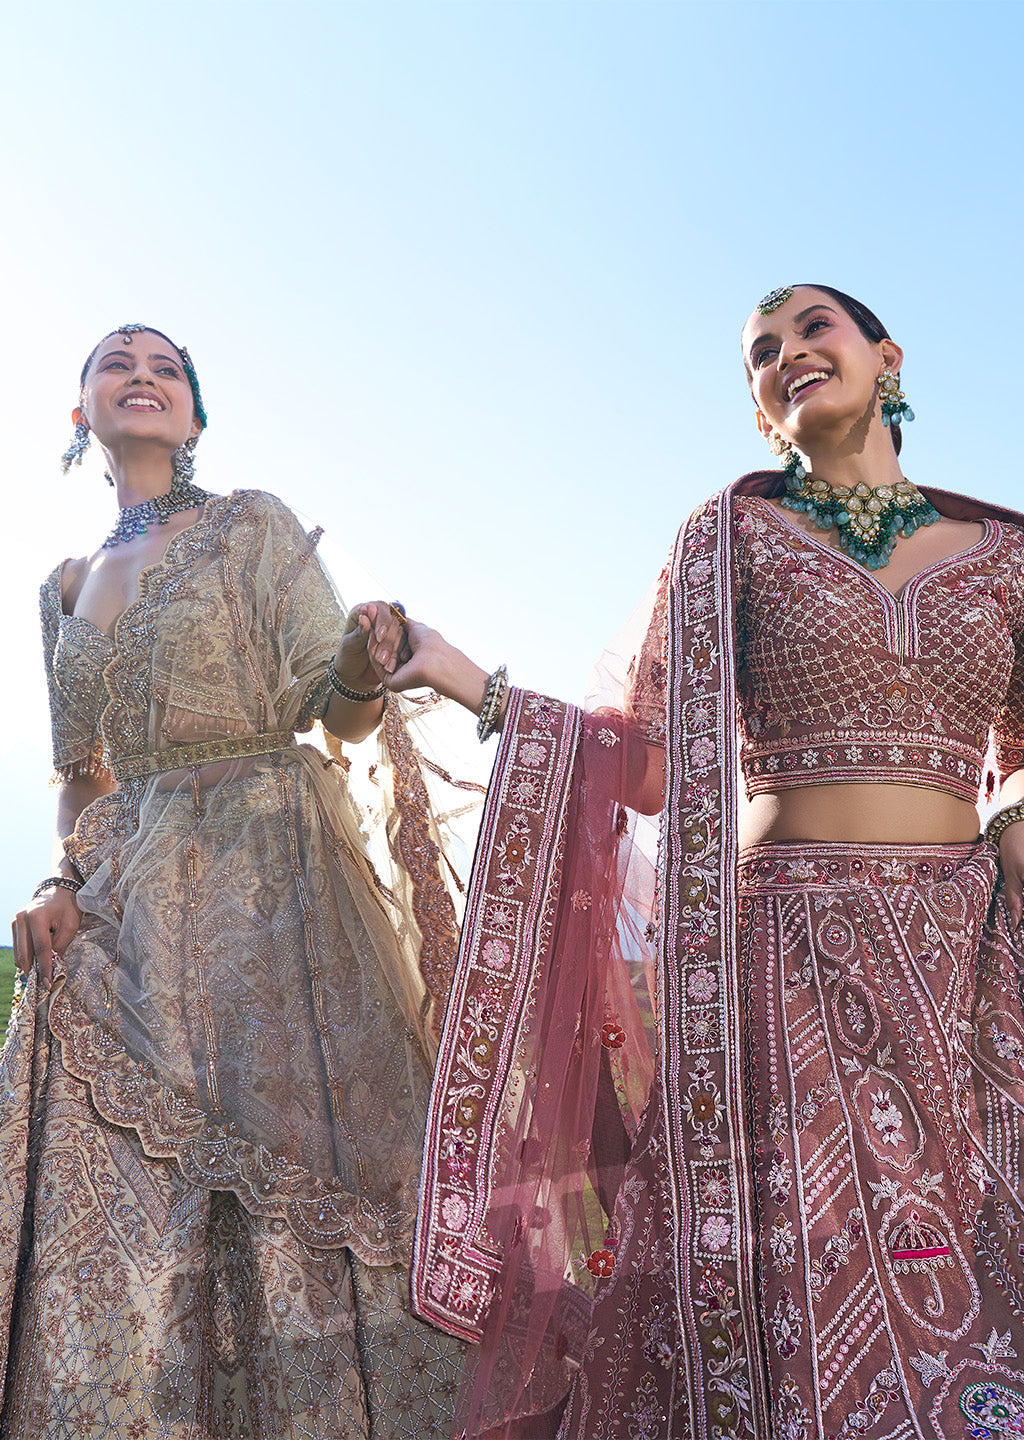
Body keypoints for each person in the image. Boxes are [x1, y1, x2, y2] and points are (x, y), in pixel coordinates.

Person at [389, 288, 1024, 1438]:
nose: (789, 355)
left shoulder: (1010, 551)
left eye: (816, 330)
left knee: (1010, 1259)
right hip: (777, 963)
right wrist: (482, 687)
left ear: (886, 356)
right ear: (760, 408)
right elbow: (653, 766)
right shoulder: (730, 539)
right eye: (763, 354)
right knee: (796, 1286)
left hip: (967, 965)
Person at [6, 324, 466, 1437]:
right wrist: (61, 879)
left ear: (197, 418)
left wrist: (360, 661)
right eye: (115, 364)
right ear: (82, 418)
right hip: (131, 898)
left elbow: (339, 707)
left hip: (275, 880)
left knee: (299, 1178)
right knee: (103, 1161)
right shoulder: (60, 584)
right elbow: (83, 776)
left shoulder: (250, 524)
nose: (142, 376)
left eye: (166, 366)